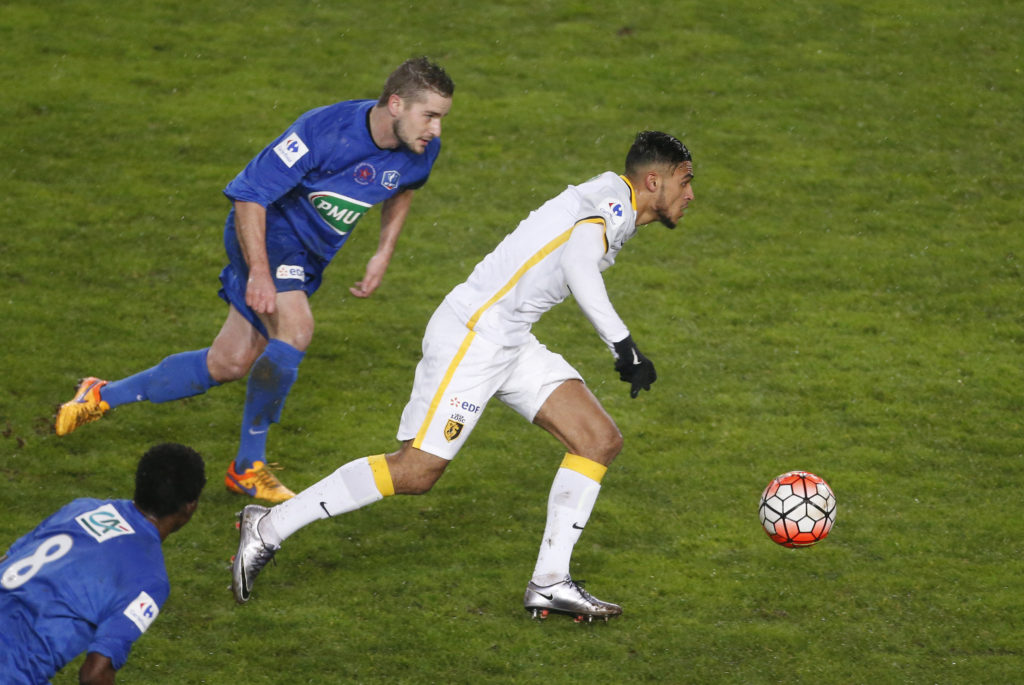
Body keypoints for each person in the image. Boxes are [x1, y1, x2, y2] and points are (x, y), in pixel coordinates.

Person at [231, 131, 695, 622]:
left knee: (597, 440)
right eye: (684, 182)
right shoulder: (611, 204)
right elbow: (580, 265)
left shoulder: (613, 199)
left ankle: (549, 582)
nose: (690, 195)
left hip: (509, 338)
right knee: (415, 471)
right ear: (652, 180)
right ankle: (269, 525)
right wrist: (624, 347)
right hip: (473, 337)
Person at [54, 57, 455, 503]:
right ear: (396, 104)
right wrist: (260, 274)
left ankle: (101, 395)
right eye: (430, 116)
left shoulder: (419, 148)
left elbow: (402, 188)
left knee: (228, 363)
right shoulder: (322, 131)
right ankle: (249, 466)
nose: (435, 130)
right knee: (296, 329)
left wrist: (383, 252)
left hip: (307, 258)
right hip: (267, 237)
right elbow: (249, 194)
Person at [0, 443, 206, 684]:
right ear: (190, 507)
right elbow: (95, 674)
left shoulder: (80, 508)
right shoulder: (150, 579)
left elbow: (6, 560)